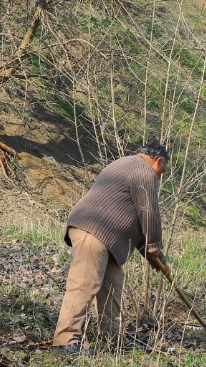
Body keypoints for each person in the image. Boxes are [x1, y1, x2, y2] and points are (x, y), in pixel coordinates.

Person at [53, 142, 170, 354]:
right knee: (83, 284)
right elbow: (149, 213)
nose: (159, 176)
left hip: (107, 239)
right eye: (162, 171)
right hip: (94, 229)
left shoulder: (123, 164)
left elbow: (139, 226)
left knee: (112, 290)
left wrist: (157, 259)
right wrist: (154, 247)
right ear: (159, 161)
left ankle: (111, 345)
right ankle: (65, 341)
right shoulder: (144, 170)